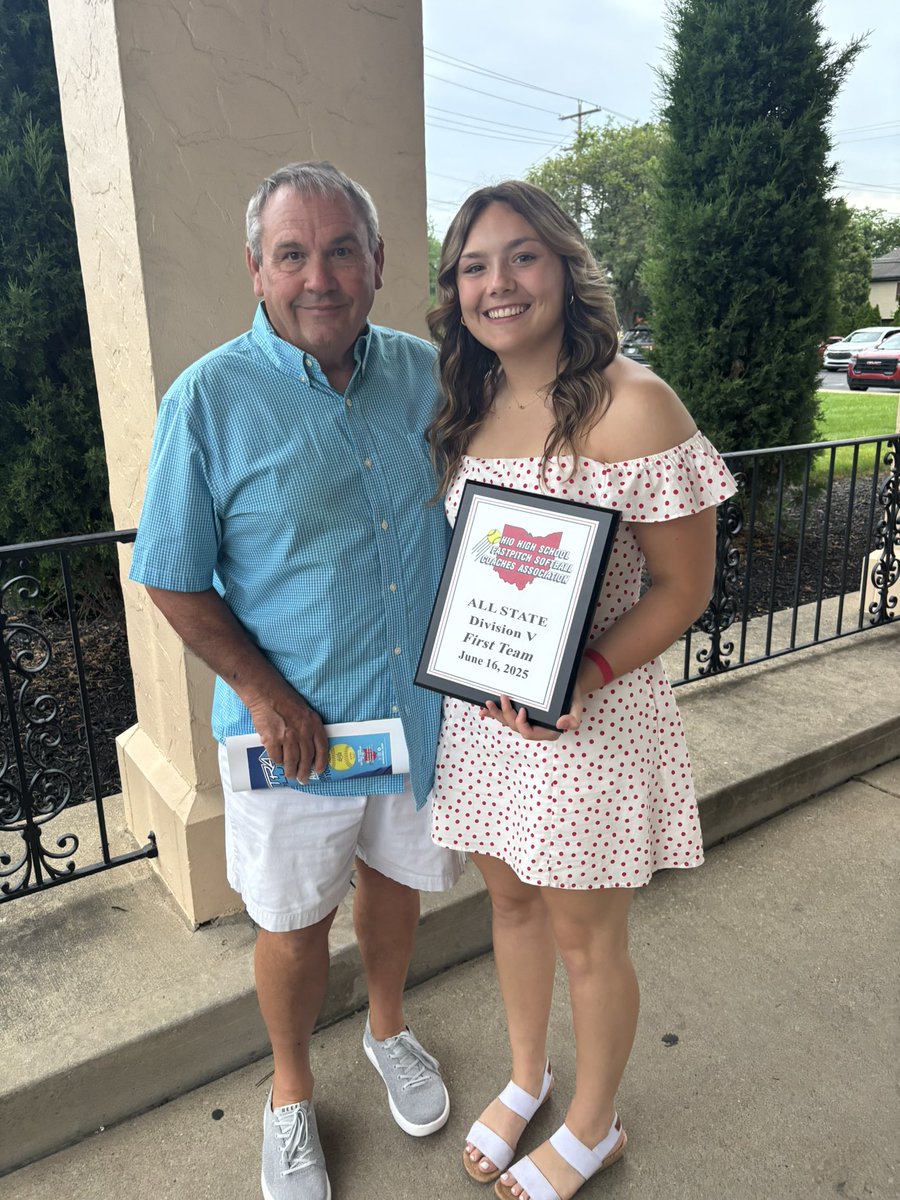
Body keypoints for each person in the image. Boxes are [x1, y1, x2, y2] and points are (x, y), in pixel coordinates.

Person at [129, 161, 464, 1200]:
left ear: (375, 263)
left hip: (415, 716)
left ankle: (390, 1028)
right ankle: (288, 1093)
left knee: (400, 892)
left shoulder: (429, 374)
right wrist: (269, 696)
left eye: (340, 251)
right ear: (257, 269)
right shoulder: (207, 400)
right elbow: (171, 579)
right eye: (293, 254)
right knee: (291, 925)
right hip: (296, 739)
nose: (319, 275)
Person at [426, 181, 737, 1200]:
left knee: (586, 935)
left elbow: (685, 586)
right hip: (487, 715)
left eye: (521, 256)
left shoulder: (636, 406)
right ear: (456, 292)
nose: (497, 283)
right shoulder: (466, 406)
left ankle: (593, 1124)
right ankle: (529, 1077)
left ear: (565, 268)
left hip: (592, 718)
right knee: (509, 900)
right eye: (474, 265)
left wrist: (585, 677)